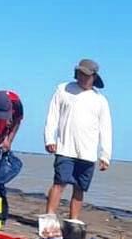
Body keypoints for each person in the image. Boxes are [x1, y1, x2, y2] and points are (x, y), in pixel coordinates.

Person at [43, 58, 113, 223]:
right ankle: (49, 217)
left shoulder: (100, 100)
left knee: (80, 188)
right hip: (65, 148)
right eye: (80, 73)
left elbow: (106, 128)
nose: (82, 77)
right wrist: (49, 138)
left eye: (86, 75)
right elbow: (52, 115)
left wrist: (105, 155)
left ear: (94, 77)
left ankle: (73, 221)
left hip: (88, 152)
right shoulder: (63, 89)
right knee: (59, 183)